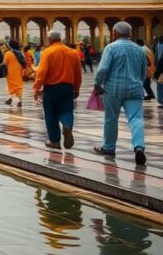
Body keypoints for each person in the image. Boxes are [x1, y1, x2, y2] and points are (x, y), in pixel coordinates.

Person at [93, 22, 148, 165]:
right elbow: (143, 72)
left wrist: (98, 84)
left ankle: (109, 148)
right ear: (130, 34)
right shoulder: (139, 50)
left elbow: (103, 69)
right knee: (136, 119)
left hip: (113, 89)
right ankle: (139, 147)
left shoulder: (111, 48)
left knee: (111, 118)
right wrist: (138, 83)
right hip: (134, 89)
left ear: (114, 33)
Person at [33, 30, 82, 149]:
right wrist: (76, 88)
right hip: (67, 87)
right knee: (66, 110)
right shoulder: (73, 52)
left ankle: (54, 141)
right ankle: (67, 126)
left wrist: (36, 88)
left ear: (49, 40)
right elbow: (78, 73)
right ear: (61, 39)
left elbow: (42, 71)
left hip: (51, 88)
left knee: (51, 114)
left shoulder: (48, 52)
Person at [3, 40, 26, 107]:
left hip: (11, 72)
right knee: (19, 86)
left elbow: (4, 63)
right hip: (20, 71)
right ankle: (15, 99)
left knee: (13, 87)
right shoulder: (20, 53)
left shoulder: (8, 53)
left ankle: (17, 100)